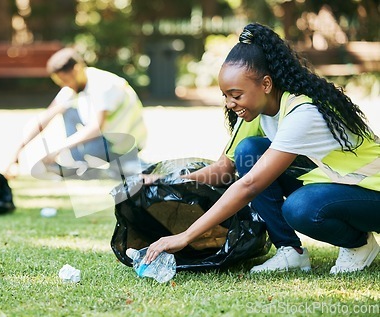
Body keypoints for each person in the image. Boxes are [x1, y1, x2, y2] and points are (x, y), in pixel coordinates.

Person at [143, 23, 380, 274]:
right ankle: (290, 251)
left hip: (372, 192)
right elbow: (224, 169)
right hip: (341, 187)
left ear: (266, 84)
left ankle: (358, 244)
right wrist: (166, 181)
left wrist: (186, 236)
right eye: (225, 95)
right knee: (249, 151)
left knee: (300, 208)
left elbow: (249, 185)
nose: (230, 103)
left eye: (236, 94)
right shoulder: (258, 111)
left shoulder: (304, 113)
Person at [9, 47, 147, 178]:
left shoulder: (102, 84)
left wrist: (58, 149)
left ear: (77, 69)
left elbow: (96, 128)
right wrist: (15, 156)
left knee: (89, 146)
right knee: (67, 110)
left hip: (125, 145)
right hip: (109, 140)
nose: (64, 85)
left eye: (65, 80)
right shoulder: (76, 85)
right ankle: (82, 166)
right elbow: (44, 119)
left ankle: (122, 165)